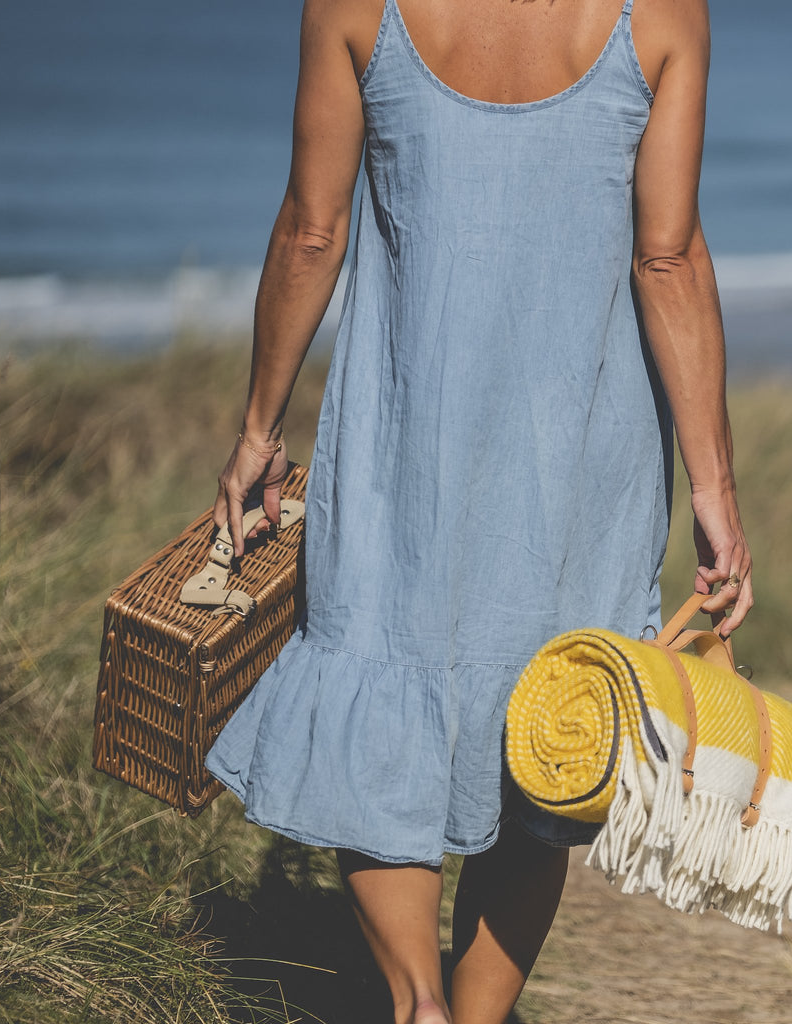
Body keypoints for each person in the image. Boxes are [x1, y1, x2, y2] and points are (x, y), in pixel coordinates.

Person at [207, 0, 753, 1020]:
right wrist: (714, 489)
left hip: (402, 445)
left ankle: (418, 1001)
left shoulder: (354, 8)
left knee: (380, 698)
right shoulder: (665, 15)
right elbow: (667, 257)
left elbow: (311, 228)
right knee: (548, 733)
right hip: (584, 457)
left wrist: (257, 428)